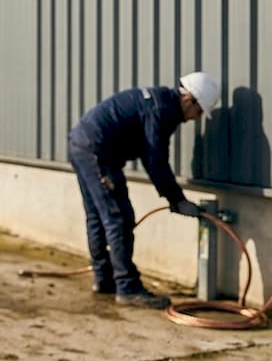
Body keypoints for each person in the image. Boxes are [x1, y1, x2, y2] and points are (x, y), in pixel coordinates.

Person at [67, 72, 221, 309]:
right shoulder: (162, 111)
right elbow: (155, 159)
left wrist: (174, 198)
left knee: (98, 218)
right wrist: (177, 199)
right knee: (119, 219)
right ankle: (127, 288)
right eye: (199, 111)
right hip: (98, 153)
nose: (196, 118)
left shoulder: (159, 102)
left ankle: (104, 278)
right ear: (189, 99)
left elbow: (153, 157)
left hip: (82, 145)